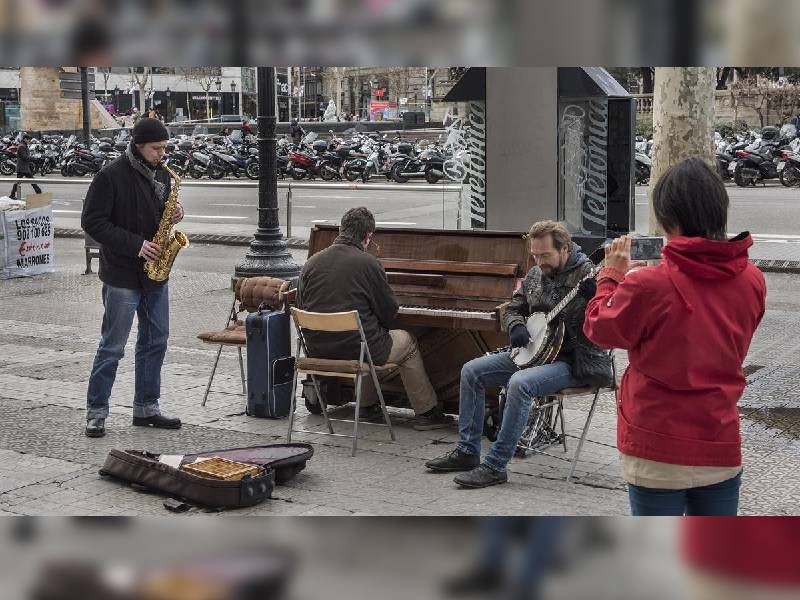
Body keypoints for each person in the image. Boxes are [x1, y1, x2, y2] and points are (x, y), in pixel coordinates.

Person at [582, 156, 766, 516]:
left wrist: (612, 277)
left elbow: (599, 330)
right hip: (719, 439)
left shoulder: (649, 284)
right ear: (719, 210)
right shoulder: (753, 280)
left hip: (656, 444)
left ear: (668, 217)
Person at [425, 221, 613, 488]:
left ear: (565, 249)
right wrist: (515, 325)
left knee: (519, 384)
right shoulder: (536, 274)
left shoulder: (588, 274)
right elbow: (514, 307)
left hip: (574, 361)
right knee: (471, 371)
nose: (539, 261)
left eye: (545, 255)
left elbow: (610, 318)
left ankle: (495, 466)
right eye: (535, 255)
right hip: (534, 353)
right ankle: (467, 452)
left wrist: (595, 298)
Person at [296, 207, 450, 430]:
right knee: (406, 342)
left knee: (365, 336)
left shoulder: (311, 263)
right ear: (368, 237)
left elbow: (302, 308)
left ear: (341, 229)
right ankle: (427, 412)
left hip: (318, 349)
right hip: (357, 349)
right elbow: (389, 313)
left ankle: (366, 405)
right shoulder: (369, 264)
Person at [80, 118, 185, 438]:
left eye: (165, 148)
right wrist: (136, 245)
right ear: (138, 145)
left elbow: (158, 216)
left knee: (156, 341)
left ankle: (146, 408)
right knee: (113, 347)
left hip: (155, 276)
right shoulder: (110, 176)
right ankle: (96, 412)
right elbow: (92, 222)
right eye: (157, 148)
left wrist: (175, 211)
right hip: (122, 274)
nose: (162, 154)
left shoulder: (163, 176)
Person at [10, 133, 42, 199]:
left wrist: (32, 158)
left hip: (24, 167)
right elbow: (25, 157)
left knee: (29, 182)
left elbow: (26, 157)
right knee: (22, 182)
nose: (30, 141)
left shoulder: (24, 145)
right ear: (25, 139)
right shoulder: (22, 146)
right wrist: (34, 158)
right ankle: (39, 193)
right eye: (29, 140)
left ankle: (39, 193)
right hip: (22, 168)